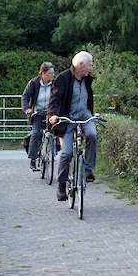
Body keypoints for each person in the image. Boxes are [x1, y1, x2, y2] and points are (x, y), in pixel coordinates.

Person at [48, 51, 97, 201]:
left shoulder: (87, 79)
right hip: (67, 117)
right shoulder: (63, 78)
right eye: (90, 65)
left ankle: (88, 170)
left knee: (93, 135)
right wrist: (53, 115)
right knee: (67, 153)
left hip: (84, 114)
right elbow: (54, 99)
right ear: (80, 65)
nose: (91, 68)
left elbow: (88, 99)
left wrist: (93, 114)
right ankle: (62, 184)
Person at [22, 62, 55, 170]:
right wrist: (27, 108)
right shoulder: (34, 83)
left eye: (53, 73)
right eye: (50, 73)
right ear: (43, 73)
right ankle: (33, 159)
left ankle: (54, 150)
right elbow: (25, 96)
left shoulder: (55, 83)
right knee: (36, 133)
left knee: (58, 131)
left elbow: (61, 96)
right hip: (37, 113)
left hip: (51, 113)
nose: (52, 75)